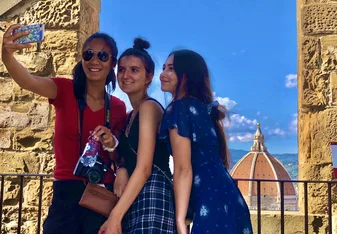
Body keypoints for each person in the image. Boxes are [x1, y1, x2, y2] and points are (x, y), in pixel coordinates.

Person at [1, 24, 128, 234]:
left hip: (100, 194)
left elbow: (118, 156)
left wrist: (111, 143)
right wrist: (7, 56)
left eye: (103, 56)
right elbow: (28, 81)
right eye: (88, 55)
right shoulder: (64, 90)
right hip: (66, 193)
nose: (94, 61)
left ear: (112, 62)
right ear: (82, 59)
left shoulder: (117, 107)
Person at [159, 49, 253, 234]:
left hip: (211, 203)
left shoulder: (179, 109)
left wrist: (179, 220)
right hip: (230, 198)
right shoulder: (200, 108)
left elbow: (183, 169)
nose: (163, 74)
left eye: (171, 69)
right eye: (163, 68)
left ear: (186, 76)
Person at [99, 38, 176, 234]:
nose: (126, 75)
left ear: (148, 77)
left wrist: (114, 217)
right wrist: (123, 167)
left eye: (134, 70)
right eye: (122, 69)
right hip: (135, 194)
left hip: (153, 192)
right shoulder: (129, 115)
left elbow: (144, 168)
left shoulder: (149, 108)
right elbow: (129, 158)